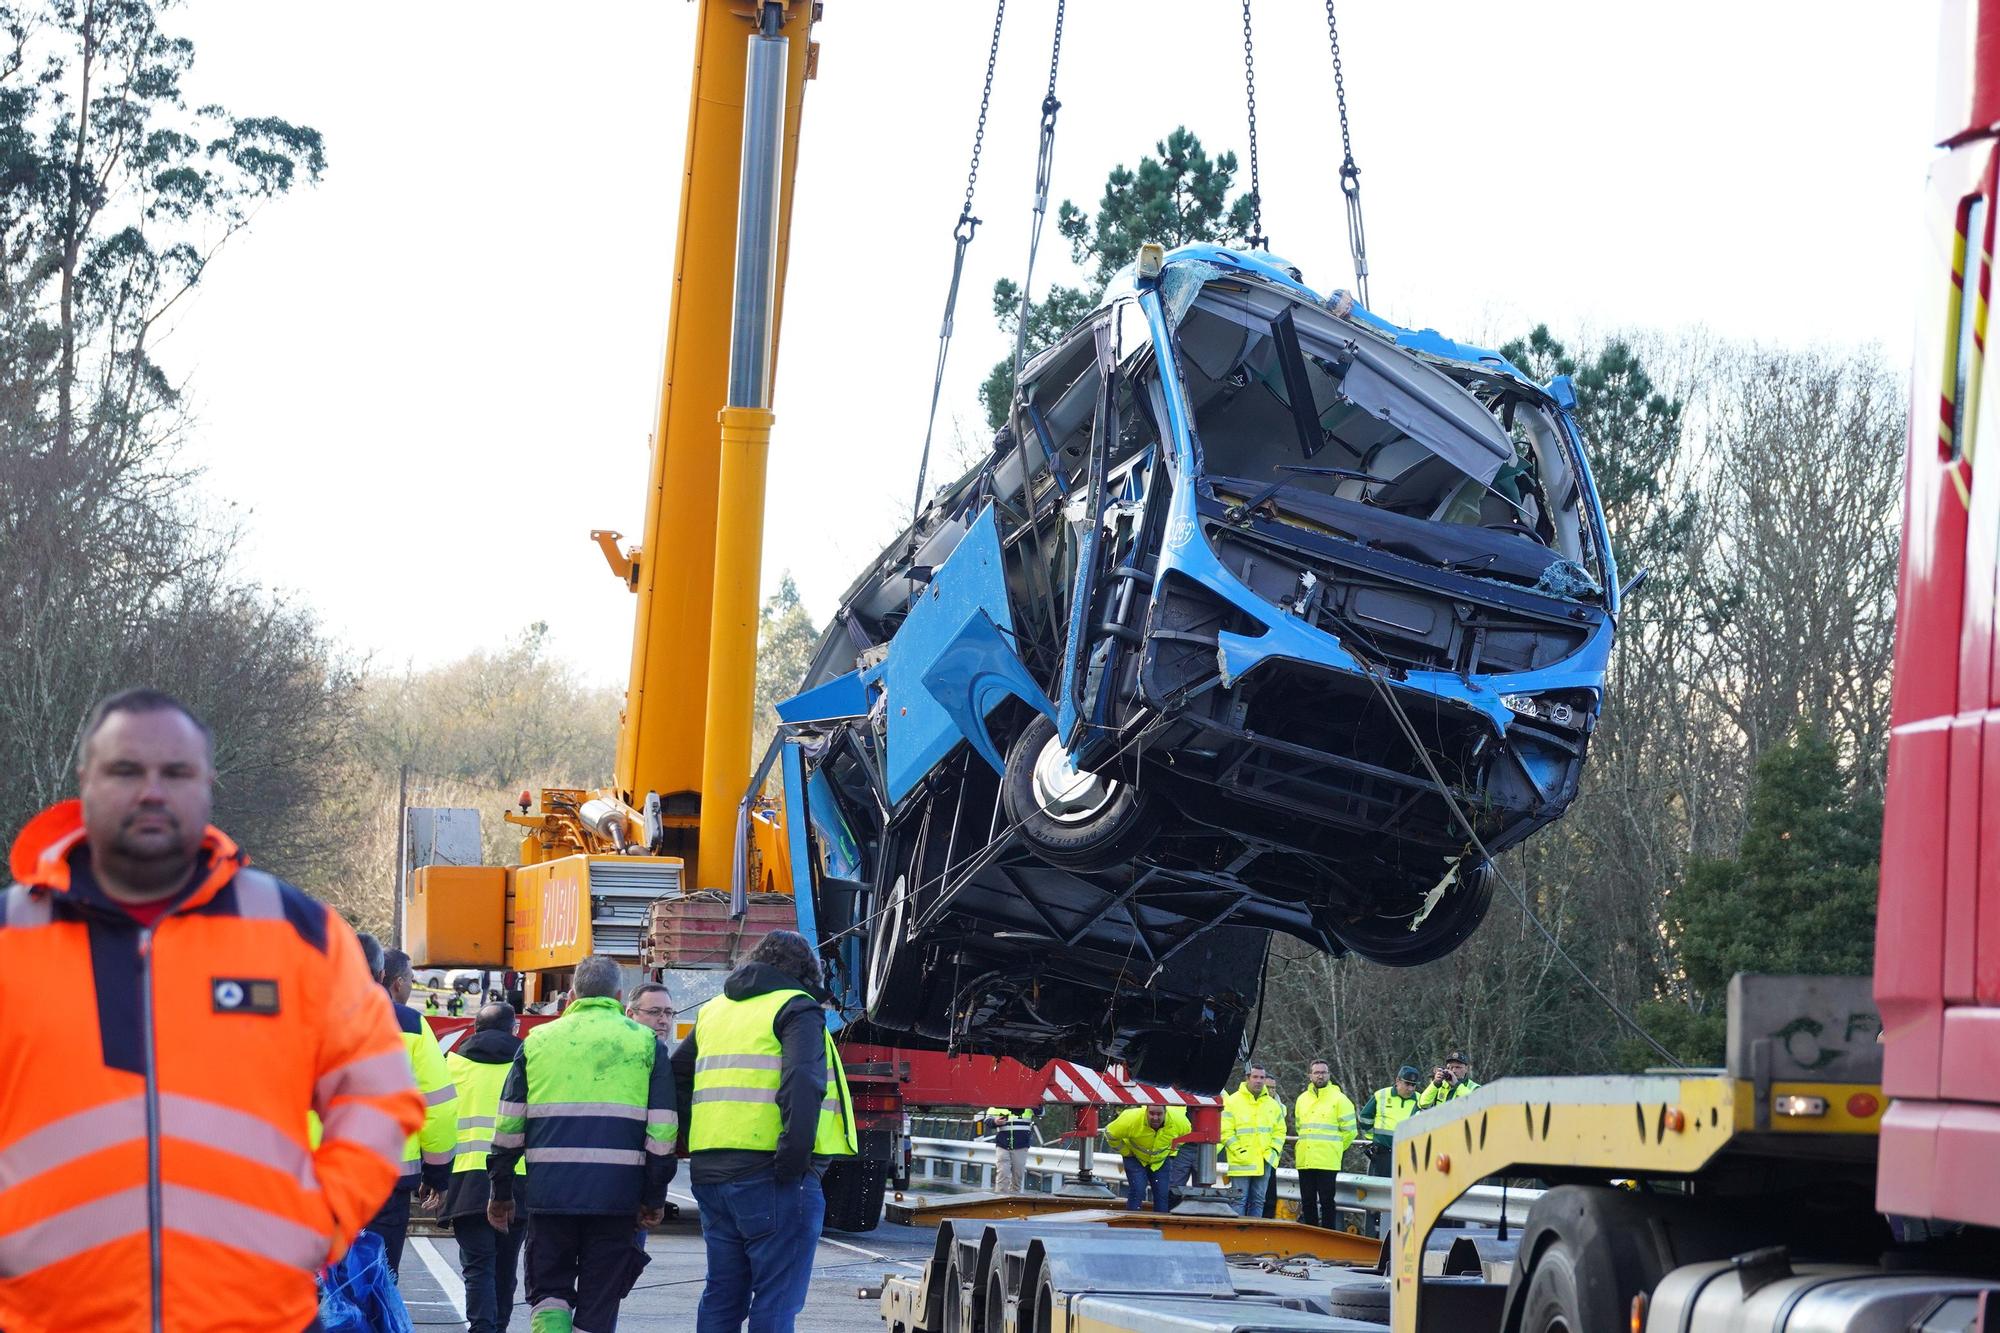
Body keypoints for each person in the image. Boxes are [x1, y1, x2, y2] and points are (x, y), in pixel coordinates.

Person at [0, 688, 424, 1331]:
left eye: (176, 772)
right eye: (125, 770)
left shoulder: (295, 931)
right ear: (84, 780)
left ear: (209, 784)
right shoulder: (9, 936)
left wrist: (317, 1223)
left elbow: (377, 1093)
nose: (151, 791)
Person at [673, 929, 858, 1333]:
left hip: (711, 1172)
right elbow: (803, 1083)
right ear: (806, 971)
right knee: (775, 1302)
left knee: (723, 1294)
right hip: (772, 1173)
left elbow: (677, 1074)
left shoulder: (715, 1010)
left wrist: (694, 1136)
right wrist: (794, 1161)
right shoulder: (796, 1008)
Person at [490, 955, 676, 1333]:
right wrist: (654, 1197)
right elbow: (662, 1131)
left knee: (549, 1292)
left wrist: (502, 1190)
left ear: (572, 994)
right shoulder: (644, 1043)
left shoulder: (537, 1040)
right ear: (620, 996)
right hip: (617, 1198)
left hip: (549, 1195)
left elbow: (509, 1124)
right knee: (600, 1296)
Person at [369, 946, 459, 1276]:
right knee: (377, 1283)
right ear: (383, 977)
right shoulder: (410, 1025)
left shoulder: (306, 1016)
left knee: (323, 1289)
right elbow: (439, 1105)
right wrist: (436, 1173)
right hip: (386, 1184)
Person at [445, 1002, 528, 1333]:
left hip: (465, 1182)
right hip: (517, 1182)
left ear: (474, 1029)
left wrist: (432, 1175)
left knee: (478, 1267)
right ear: (514, 1030)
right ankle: (499, 1327)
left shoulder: (452, 1065)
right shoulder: (528, 1064)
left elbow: (436, 1121)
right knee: (506, 1268)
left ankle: (483, 1328)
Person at [1293, 1059, 1357, 1229]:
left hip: (1327, 1160)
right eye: (1316, 1072)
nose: (1320, 1075)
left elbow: (1350, 1131)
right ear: (1310, 1075)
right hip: (1305, 1158)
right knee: (1307, 1201)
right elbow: (1300, 1126)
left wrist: (1336, 1148)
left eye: (1323, 1072)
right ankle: (1311, 1236)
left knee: (1327, 1201)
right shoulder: (1302, 1099)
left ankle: (1328, 1235)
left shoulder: (1340, 1099)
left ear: (1329, 1075)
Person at [1219, 1063, 1285, 1217]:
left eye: (1262, 1077)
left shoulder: (1272, 1104)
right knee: (1239, 1201)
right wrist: (1238, 1151)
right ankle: (1238, 1237)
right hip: (1241, 1161)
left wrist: (1273, 1151)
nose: (1259, 1081)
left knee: (1258, 1201)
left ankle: (1254, 1237)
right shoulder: (1233, 1101)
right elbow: (1225, 1131)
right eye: (1255, 1077)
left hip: (1264, 1160)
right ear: (1247, 1078)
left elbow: (1280, 1131)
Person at [1103, 1104, 1191, 1212]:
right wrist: (1126, 1152)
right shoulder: (1131, 1119)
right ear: (1146, 1111)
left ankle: (1160, 1225)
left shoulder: (1180, 1122)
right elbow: (1110, 1133)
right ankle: (1133, 1224)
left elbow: (1186, 1137)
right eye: (1151, 1113)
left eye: (1159, 1114)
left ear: (1165, 1113)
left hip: (1160, 1161)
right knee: (1137, 1190)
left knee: (1163, 1194)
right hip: (1134, 1157)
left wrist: (1171, 1151)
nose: (1155, 1117)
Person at [982, 1107, 1036, 1193]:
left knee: (1017, 1175)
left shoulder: (1027, 1101)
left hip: (1021, 1145)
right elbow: (987, 1120)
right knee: (1003, 1173)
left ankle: (1015, 1201)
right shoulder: (998, 1103)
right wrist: (995, 1121)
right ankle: (1000, 1199)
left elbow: (1040, 1112)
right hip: (1002, 1144)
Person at [1417, 1051, 1482, 1108]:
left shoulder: (1474, 1087)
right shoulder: (1440, 1085)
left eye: (1458, 1067)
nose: (1453, 1070)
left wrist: (1457, 1085)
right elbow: (1423, 1104)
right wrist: (1435, 1083)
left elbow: (1477, 1104)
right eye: (1450, 1067)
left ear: (1466, 1069)